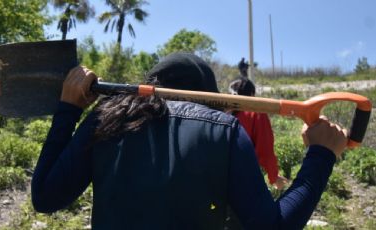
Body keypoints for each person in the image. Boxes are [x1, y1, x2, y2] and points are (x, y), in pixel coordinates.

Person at [31, 52, 348, 229]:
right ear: (210, 94)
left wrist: (69, 109)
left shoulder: (106, 118)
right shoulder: (225, 129)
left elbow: (45, 197)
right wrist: (320, 156)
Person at [227, 77, 288, 190]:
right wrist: (274, 177)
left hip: (216, 176)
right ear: (252, 94)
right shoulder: (256, 113)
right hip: (242, 179)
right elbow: (265, 150)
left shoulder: (220, 112)